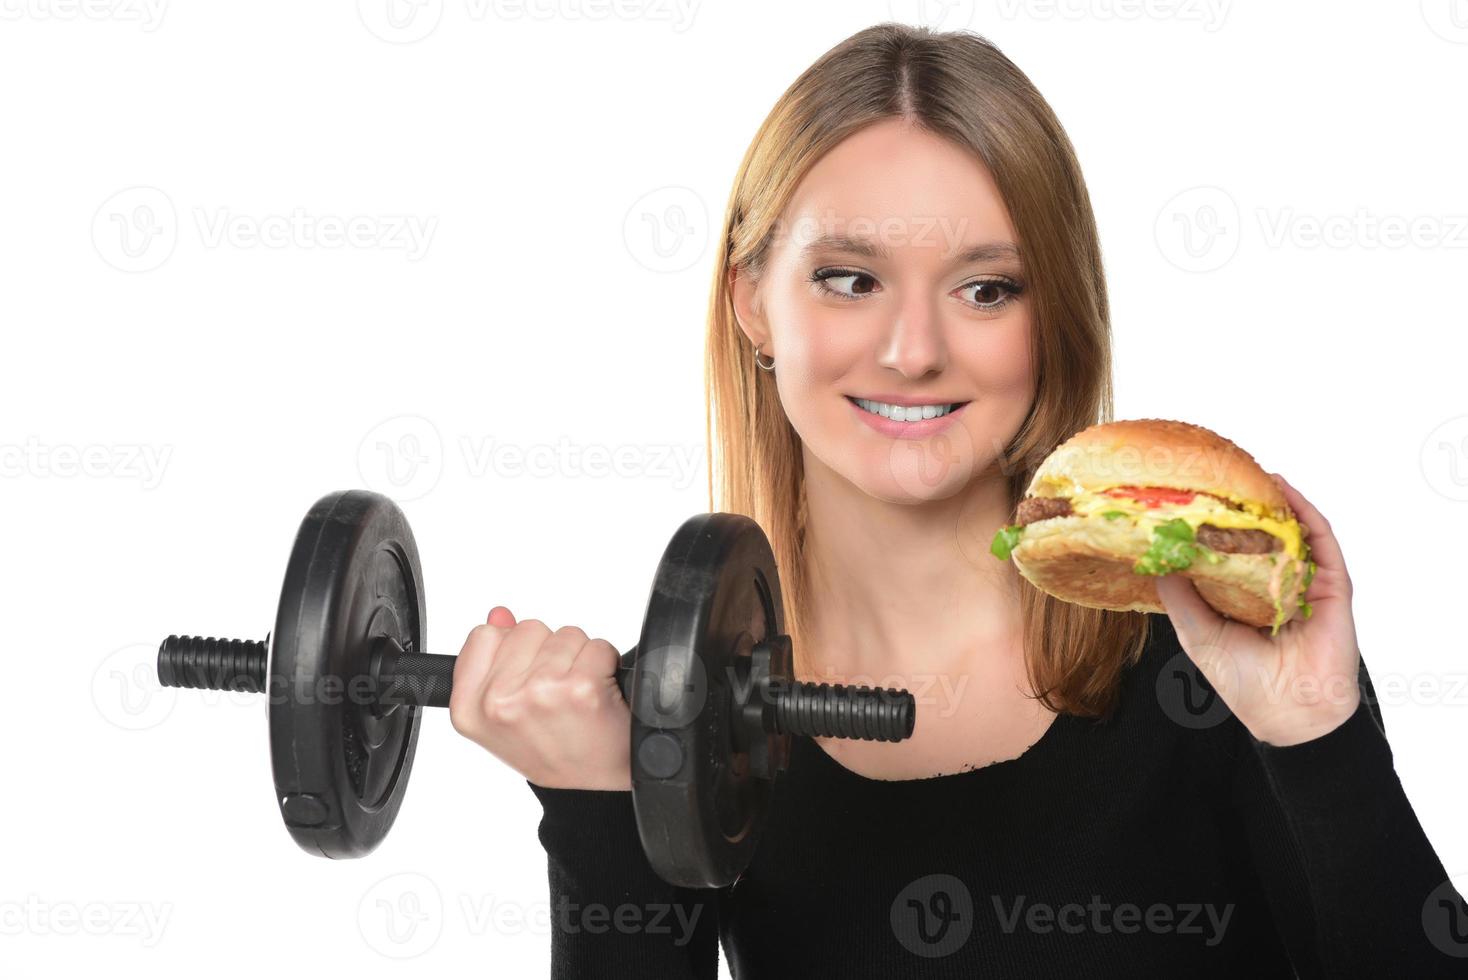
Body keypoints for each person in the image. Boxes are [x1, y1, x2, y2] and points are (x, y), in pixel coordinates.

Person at [447, 22, 1466, 977]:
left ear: (1052, 314)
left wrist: (1318, 738)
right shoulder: (683, 711)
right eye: (851, 279)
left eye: (986, 289)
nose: (914, 350)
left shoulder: (1203, 660)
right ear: (753, 301)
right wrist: (595, 806)